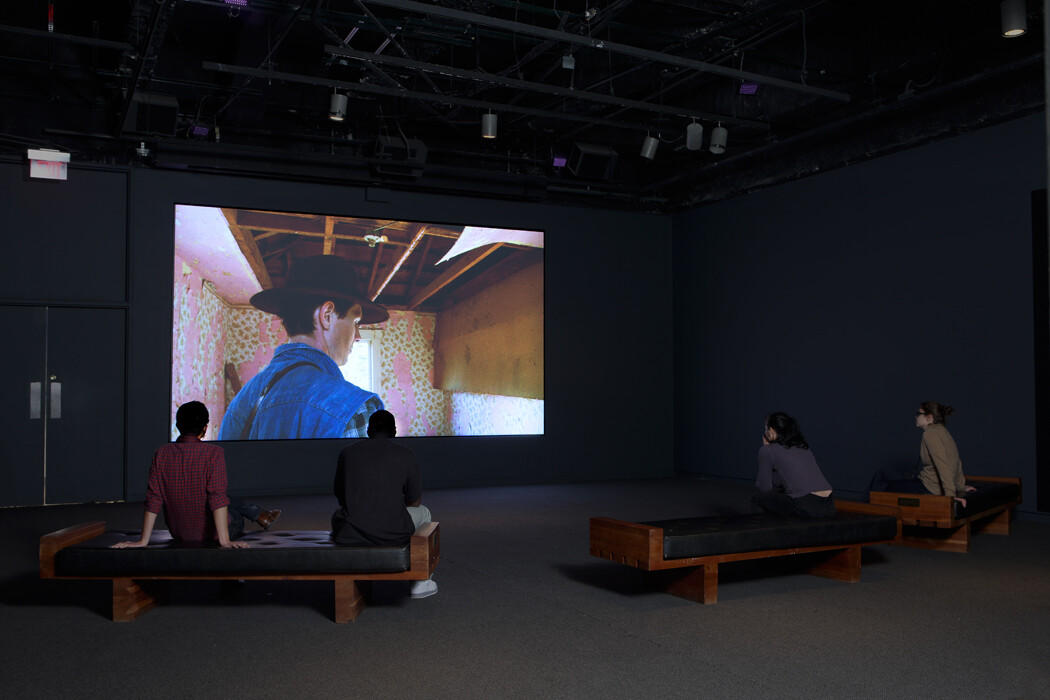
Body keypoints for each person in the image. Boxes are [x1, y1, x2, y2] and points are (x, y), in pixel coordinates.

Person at [218, 254, 389, 440]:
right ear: (327, 315)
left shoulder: (241, 400)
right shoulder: (351, 409)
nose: (357, 336)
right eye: (355, 321)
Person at [112, 401, 281, 549]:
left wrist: (143, 541)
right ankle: (259, 514)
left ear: (178, 426)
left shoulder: (161, 453)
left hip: (179, 532)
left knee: (217, 496)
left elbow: (154, 498)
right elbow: (217, 497)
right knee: (233, 512)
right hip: (211, 533)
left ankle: (260, 514)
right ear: (205, 428)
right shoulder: (214, 453)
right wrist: (224, 541)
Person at [331, 409, 437, 599]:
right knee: (425, 513)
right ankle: (421, 581)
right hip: (395, 530)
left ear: (368, 431)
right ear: (394, 431)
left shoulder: (347, 453)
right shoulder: (406, 454)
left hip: (350, 531)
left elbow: (340, 496)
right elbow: (415, 501)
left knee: (339, 514)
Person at [869, 401, 976, 507]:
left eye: (919, 414)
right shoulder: (944, 432)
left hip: (928, 488)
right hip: (928, 484)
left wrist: (950, 496)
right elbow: (957, 461)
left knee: (880, 479)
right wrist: (961, 487)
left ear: (929, 418)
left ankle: (866, 510)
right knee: (885, 476)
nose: (916, 417)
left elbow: (943, 464)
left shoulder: (930, 434)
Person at [752, 412, 836, 518]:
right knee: (782, 498)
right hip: (829, 505)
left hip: (806, 505)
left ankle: (766, 532)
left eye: (766, 429)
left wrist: (767, 449)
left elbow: (763, 488)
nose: (764, 433)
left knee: (758, 499)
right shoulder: (803, 447)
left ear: (771, 431)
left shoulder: (767, 450)